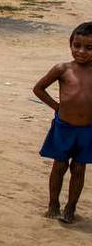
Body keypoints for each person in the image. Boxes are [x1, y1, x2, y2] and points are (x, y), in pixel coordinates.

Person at [33, 21, 92, 223]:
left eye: (89, 48)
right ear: (70, 44)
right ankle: (53, 204)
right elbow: (38, 89)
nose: (81, 51)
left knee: (78, 168)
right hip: (64, 127)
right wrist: (56, 107)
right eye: (77, 45)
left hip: (87, 130)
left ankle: (70, 208)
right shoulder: (62, 69)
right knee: (59, 166)